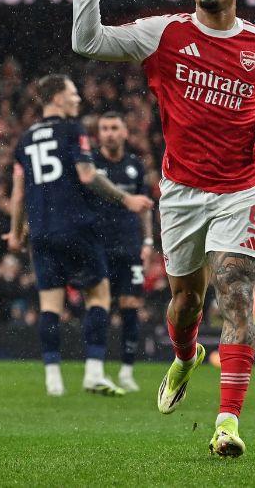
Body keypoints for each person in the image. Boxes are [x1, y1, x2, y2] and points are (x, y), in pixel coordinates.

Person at [72, 0, 255, 457]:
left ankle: (227, 424)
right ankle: (185, 355)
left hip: (240, 189)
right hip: (182, 192)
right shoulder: (164, 33)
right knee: (186, 301)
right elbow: (88, 41)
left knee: (235, 292)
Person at [4, 75, 153, 397]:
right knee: (99, 296)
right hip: (76, 226)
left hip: (41, 231)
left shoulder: (24, 140)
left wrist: (16, 234)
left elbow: (17, 194)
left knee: (50, 305)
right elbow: (87, 175)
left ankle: (53, 380)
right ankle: (94, 372)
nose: (77, 99)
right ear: (57, 98)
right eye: (72, 94)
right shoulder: (73, 130)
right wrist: (126, 199)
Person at [89, 111, 154, 392]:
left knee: (130, 308)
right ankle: (97, 368)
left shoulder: (135, 166)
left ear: (125, 133)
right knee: (99, 307)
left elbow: (145, 206)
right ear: (98, 133)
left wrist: (148, 242)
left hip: (129, 246)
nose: (109, 133)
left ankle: (127, 370)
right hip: (98, 246)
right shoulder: (90, 164)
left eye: (115, 127)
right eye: (104, 128)